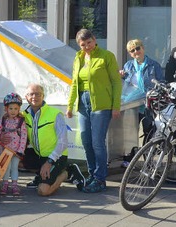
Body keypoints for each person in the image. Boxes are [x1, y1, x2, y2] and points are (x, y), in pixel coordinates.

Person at [66, 29, 122, 193]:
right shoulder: (78, 58)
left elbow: (116, 83)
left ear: (94, 40)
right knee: (86, 141)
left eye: (89, 42)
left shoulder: (106, 56)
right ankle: (92, 174)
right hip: (83, 103)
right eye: (83, 45)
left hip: (101, 104)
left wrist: (115, 106)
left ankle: (100, 178)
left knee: (98, 142)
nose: (87, 47)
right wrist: (70, 106)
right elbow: (75, 84)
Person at [23, 84, 82, 196]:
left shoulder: (55, 114)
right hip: (39, 155)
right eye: (31, 94)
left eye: (38, 94)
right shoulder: (24, 115)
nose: (34, 97)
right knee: (15, 159)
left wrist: (49, 162)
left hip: (56, 157)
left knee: (43, 191)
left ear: (43, 96)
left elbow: (63, 142)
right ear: (26, 97)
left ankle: (67, 172)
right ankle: (41, 176)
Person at [118, 39, 164, 168]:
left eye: (137, 48)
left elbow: (161, 82)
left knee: (149, 131)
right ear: (129, 53)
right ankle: (129, 159)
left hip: (149, 103)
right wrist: (120, 76)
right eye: (132, 50)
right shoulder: (128, 65)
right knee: (130, 132)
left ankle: (148, 159)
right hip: (132, 104)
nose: (136, 52)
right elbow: (125, 84)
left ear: (143, 48)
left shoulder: (153, 65)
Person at [0, 93, 27, 196]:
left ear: (19, 109)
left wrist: (21, 150)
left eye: (15, 108)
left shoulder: (21, 121)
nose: (13, 111)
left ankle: (14, 185)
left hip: (16, 151)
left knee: (14, 167)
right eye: (11, 108)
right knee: (5, 168)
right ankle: (5, 184)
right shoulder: (3, 120)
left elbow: (23, 136)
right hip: (5, 151)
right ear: (6, 108)